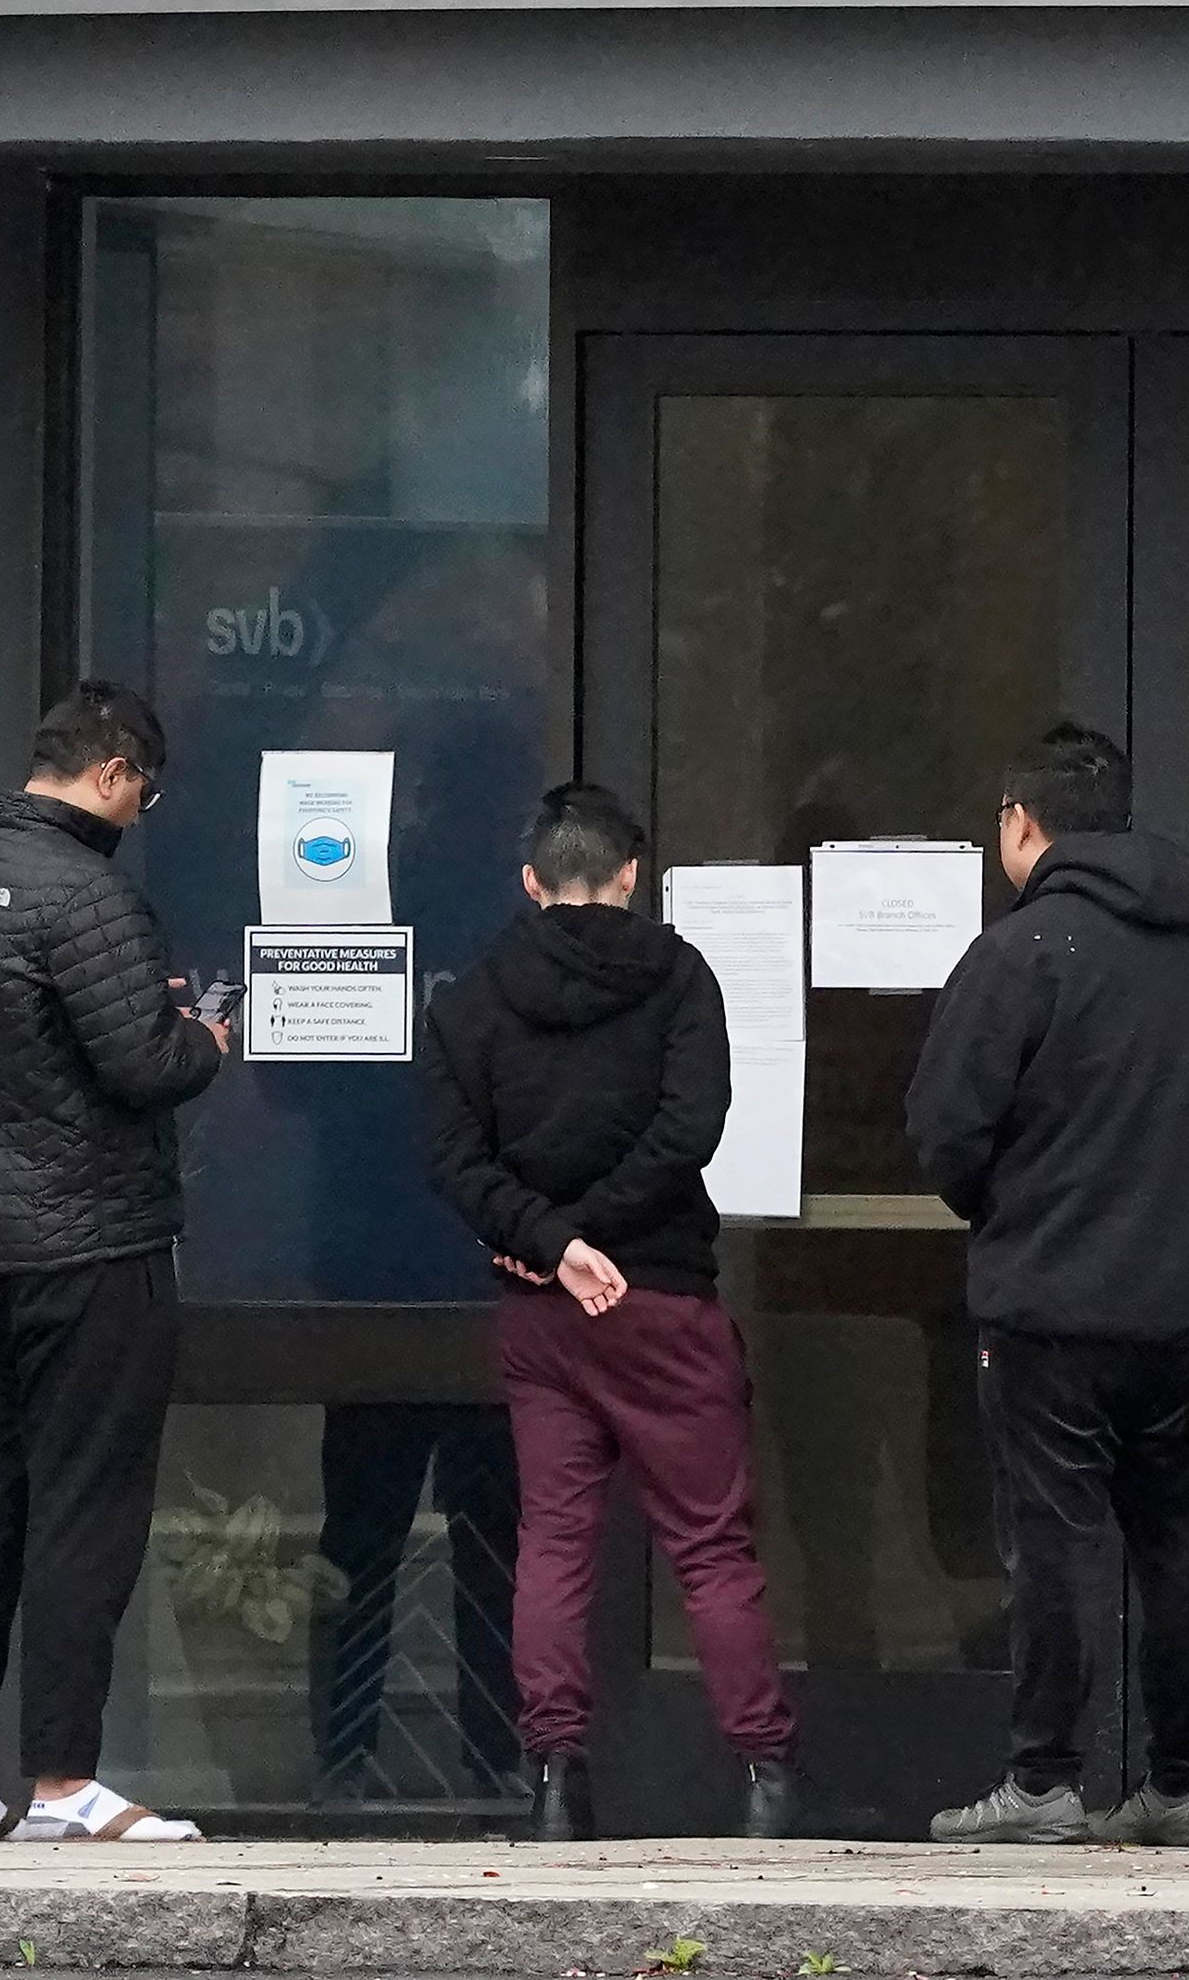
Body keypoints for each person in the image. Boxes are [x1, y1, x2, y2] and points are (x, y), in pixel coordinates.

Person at [419, 781, 804, 1841]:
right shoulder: (680, 977)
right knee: (712, 1547)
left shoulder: (471, 1001)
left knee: (552, 1541)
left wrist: (555, 1242)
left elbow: (453, 1160)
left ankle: (554, 1782)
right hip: (664, 1301)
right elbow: (694, 1126)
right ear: (631, 874)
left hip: (544, 1314)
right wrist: (598, 1235)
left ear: (532, 881)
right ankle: (765, 1776)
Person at [906, 722, 1189, 1847]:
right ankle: (1186, 1783)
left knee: (1053, 1540)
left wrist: (1009, 1212)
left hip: (1050, 1303)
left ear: (1022, 822)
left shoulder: (1021, 953)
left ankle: (1044, 1781)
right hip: (1181, 1303)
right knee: (1180, 1539)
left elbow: (945, 1129)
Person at [0, 681, 229, 1843]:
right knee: (85, 1507)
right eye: (147, 792)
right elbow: (143, 1063)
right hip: (92, 1243)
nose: (141, 814)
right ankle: (64, 1785)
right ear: (116, 771)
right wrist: (206, 1041)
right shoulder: (88, 895)